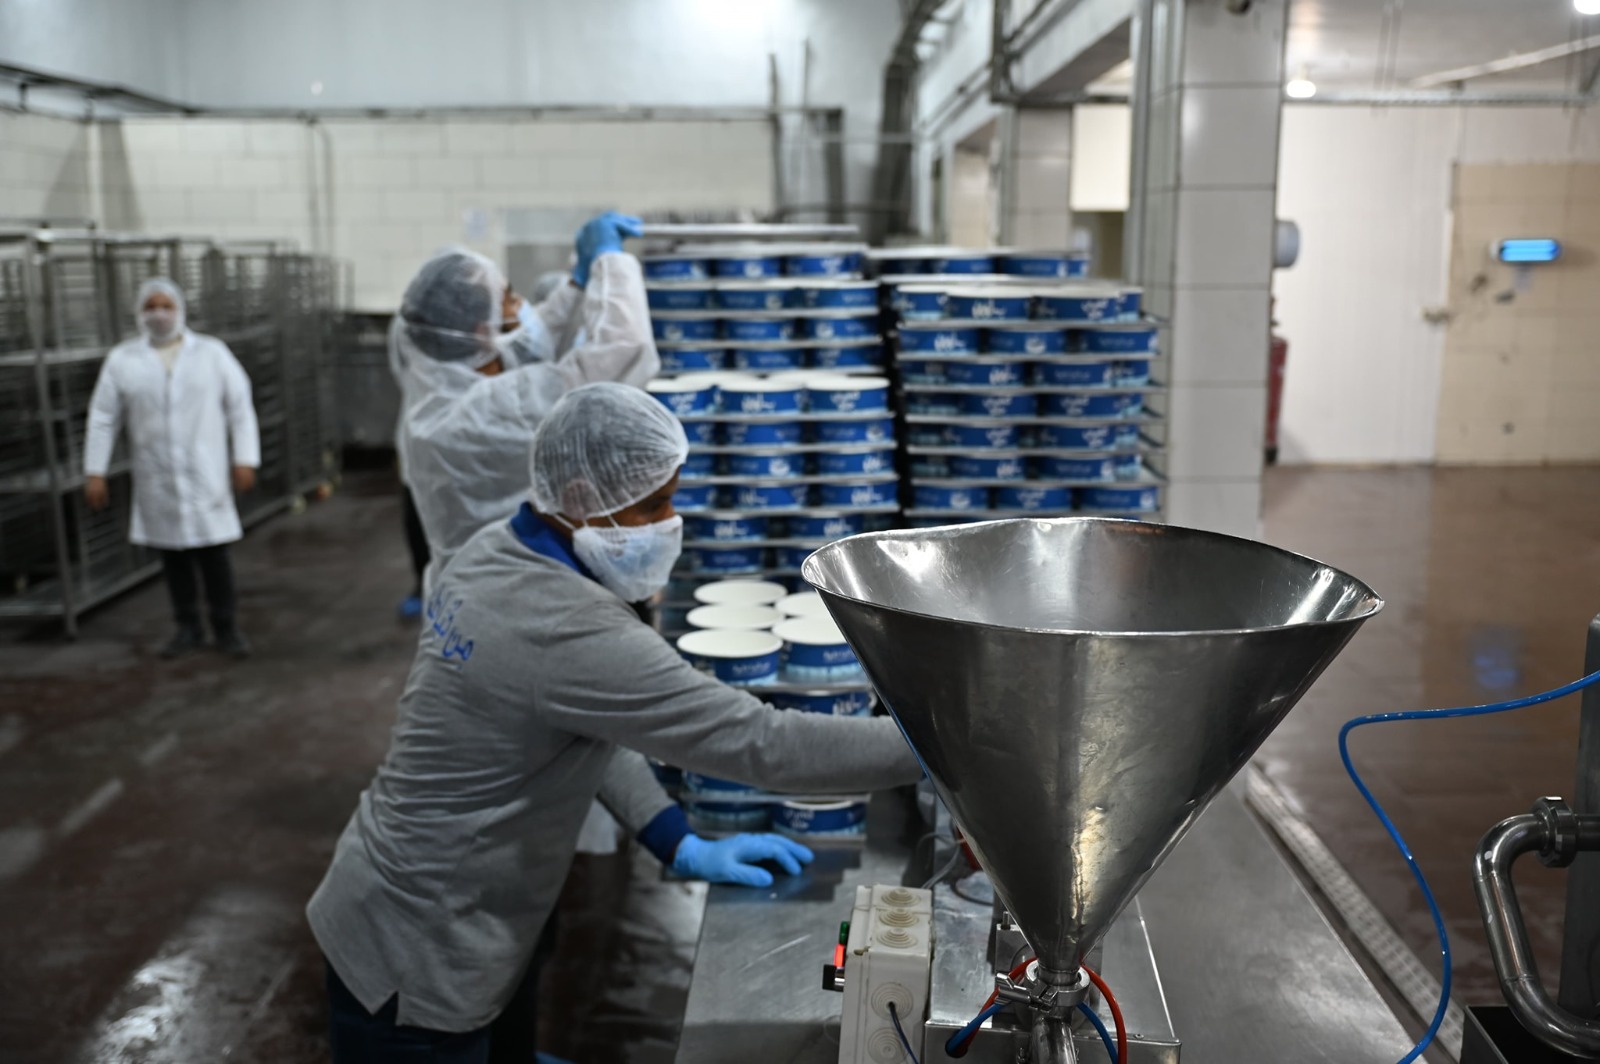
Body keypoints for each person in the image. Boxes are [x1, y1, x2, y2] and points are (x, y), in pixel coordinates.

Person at [307, 382, 921, 1063]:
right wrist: (944, 745)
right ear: (577, 496)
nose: (670, 522)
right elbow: (763, 743)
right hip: (419, 945)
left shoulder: (494, 550)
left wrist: (676, 840)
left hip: (459, 910)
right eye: (653, 505)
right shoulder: (567, 625)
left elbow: (585, 724)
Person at [395, 210, 658, 593]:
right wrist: (611, 262)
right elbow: (621, 352)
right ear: (482, 331)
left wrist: (577, 282)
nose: (521, 307)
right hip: (514, 597)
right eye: (508, 299)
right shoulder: (485, 413)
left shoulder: (440, 395)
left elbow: (528, 344)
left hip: (471, 592)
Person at [83, 278, 260, 658]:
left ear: (180, 310)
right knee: (173, 557)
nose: (159, 314)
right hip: (157, 475)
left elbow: (240, 409)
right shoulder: (122, 360)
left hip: (204, 473)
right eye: (151, 307)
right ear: (139, 313)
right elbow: (103, 417)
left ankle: (226, 628)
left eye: (166, 306)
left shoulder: (212, 353)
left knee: (214, 556)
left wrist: (245, 458)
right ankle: (187, 627)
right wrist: (95, 470)